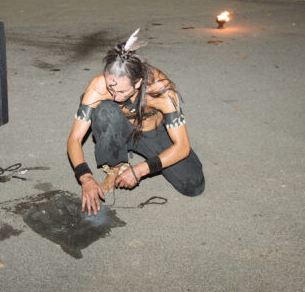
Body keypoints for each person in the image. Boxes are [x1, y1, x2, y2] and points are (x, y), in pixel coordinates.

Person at [67, 29, 205, 217]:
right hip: (120, 127)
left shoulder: (160, 89)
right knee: (105, 110)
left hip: (151, 133)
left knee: (193, 186)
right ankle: (115, 166)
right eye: (111, 88)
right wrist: (85, 178)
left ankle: (133, 157)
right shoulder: (98, 86)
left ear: (138, 82)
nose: (115, 96)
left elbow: (182, 147)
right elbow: (75, 138)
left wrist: (141, 169)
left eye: (123, 92)